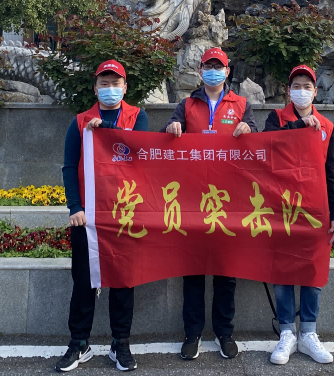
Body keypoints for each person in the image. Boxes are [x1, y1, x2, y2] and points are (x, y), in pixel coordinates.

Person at [56, 60, 149, 373]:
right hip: (88, 216)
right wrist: (75, 207)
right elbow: (70, 166)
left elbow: (139, 152)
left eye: (115, 83)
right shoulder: (80, 122)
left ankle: (120, 342)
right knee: (83, 281)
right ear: (95, 89)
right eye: (104, 84)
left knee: (123, 280)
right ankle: (79, 342)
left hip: (125, 213)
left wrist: (107, 130)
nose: (110, 89)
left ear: (125, 87)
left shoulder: (138, 117)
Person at [165, 47, 256, 360]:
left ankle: (224, 332)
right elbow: (168, 133)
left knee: (225, 271)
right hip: (193, 198)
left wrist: (249, 129)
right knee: (192, 270)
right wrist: (172, 128)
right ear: (200, 70)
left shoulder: (242, 105)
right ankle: (192, 333)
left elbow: (258, 141)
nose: (213, 71)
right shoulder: (187, 104)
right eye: (208, 66)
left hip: (229, 200)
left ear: (227, 71)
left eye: (219, 66)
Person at [263, 64, 334, 366]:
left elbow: (332, 171)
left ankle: (308, 333)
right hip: (281, 206)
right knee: (283, 270)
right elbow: (268, 147)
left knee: (312, 269)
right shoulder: (276, 119)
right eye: (296, 86)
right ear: (288, 90)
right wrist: (299, 126)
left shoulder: (327, 127)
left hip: (314, 209)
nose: (301, 91)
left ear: (316, 91)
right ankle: (287, 332)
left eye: (307, 86)